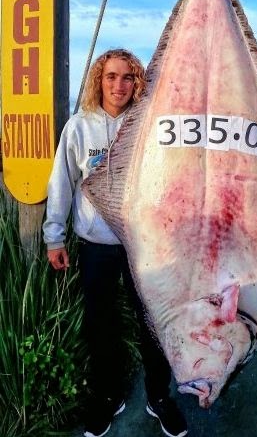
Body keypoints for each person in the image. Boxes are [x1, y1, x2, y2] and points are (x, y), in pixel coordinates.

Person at [43, 48, 188, 437]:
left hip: (144, 247)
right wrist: (54, 237)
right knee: (100, 325)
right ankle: (108, 396)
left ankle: (159, 397)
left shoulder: (149, 126)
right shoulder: (79, 127)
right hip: (96, 246)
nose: (119, 85)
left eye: (127, 77)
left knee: (152, 322)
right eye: (111, 76)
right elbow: (61, 184)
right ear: (99, 80)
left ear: (137, 83)